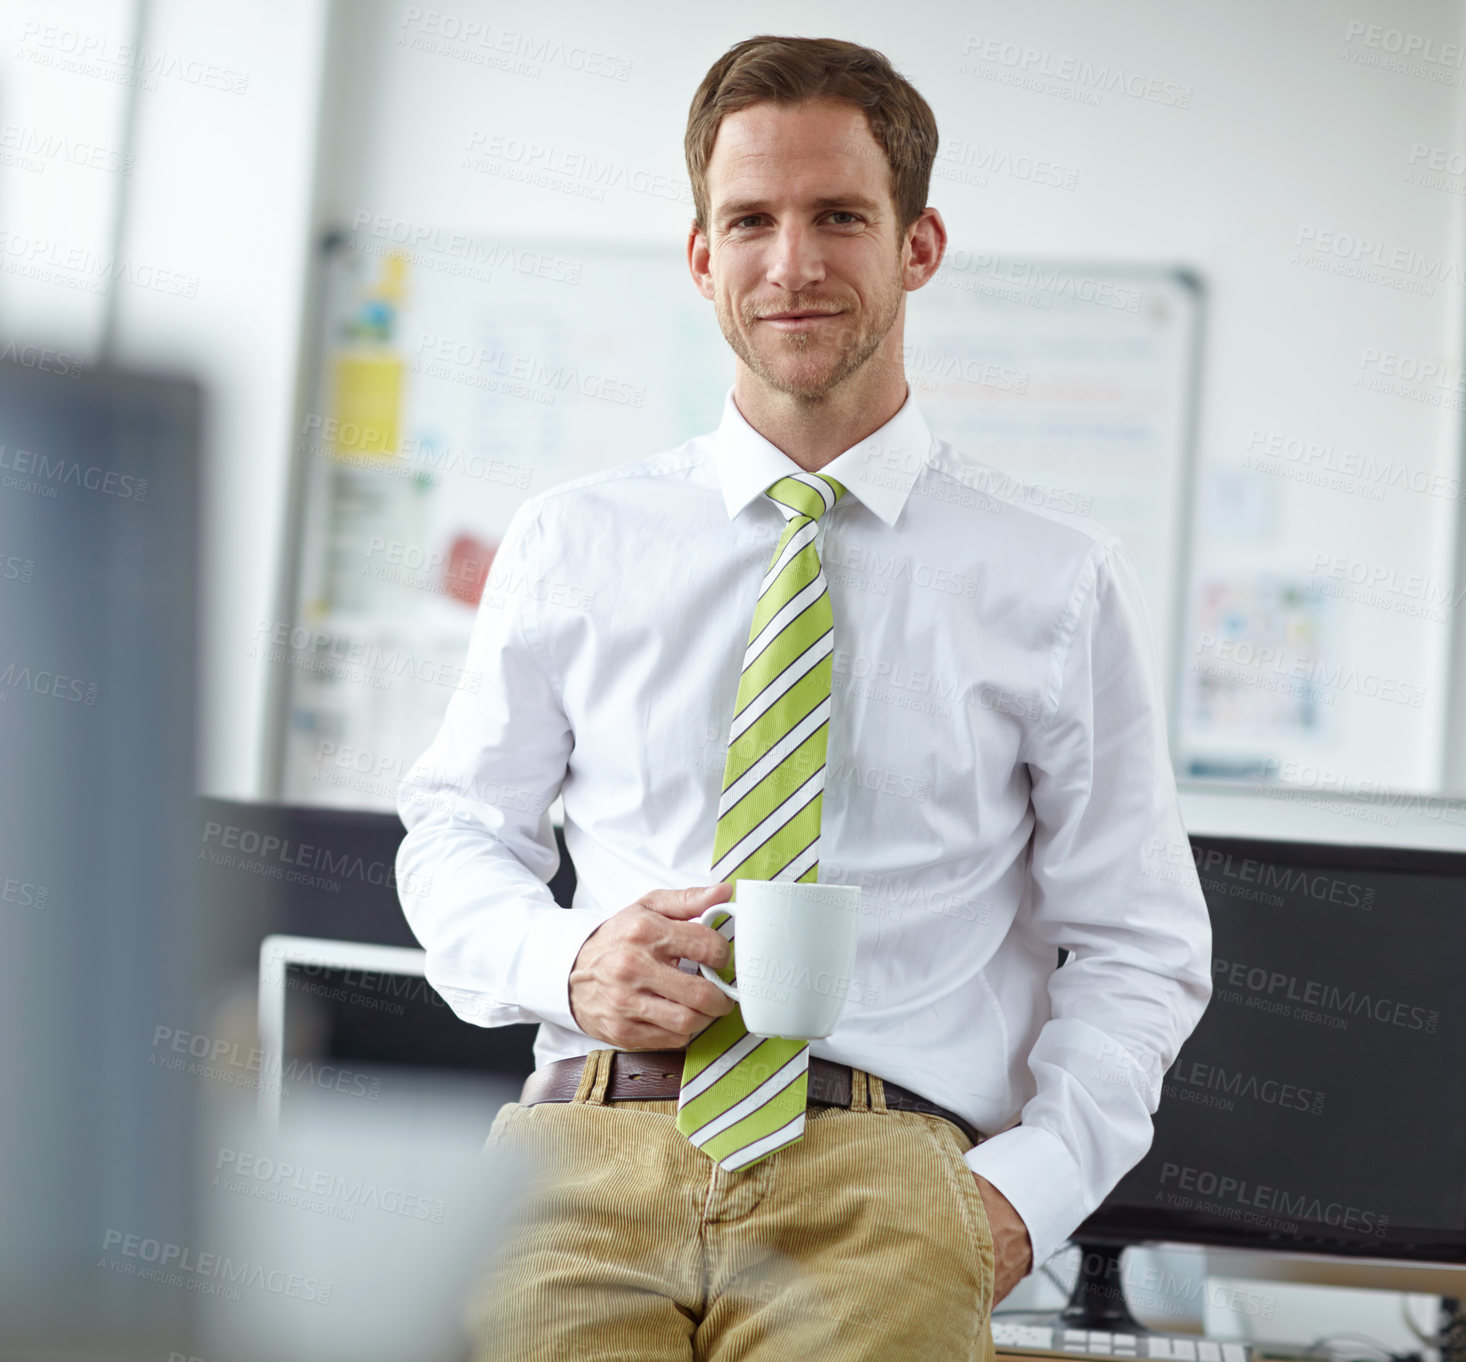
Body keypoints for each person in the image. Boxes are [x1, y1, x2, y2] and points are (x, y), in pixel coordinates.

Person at [395, 33, 1212, 1362]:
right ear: (701, 256)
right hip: (577, 1152)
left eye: (838, 216)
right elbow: (452, 832)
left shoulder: (1056, 576)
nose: (793, 264)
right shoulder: (572, 538)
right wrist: (566, 957)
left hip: (889, 1171)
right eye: (750, 222)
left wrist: (1024, 1192)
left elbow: (1139, 942)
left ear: (918, 244)